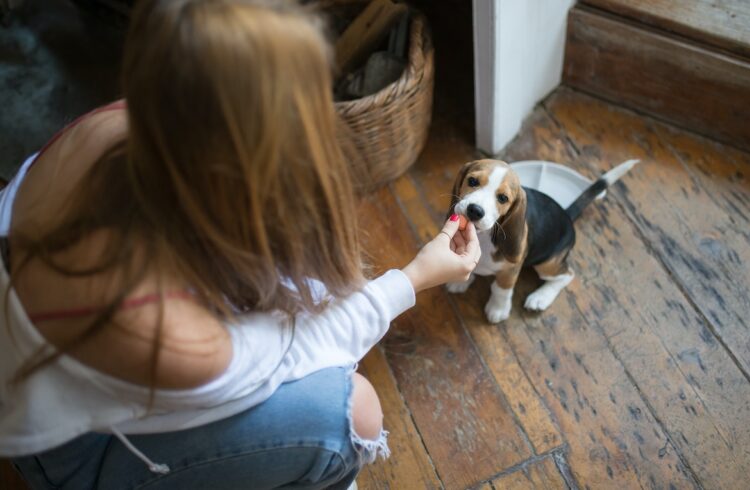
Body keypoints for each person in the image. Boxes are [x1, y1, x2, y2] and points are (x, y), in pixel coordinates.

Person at [0, 0, 480, 488]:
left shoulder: (128, 123)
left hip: (58, 371)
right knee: (353, 413)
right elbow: (303, 350)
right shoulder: (172, 335)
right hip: (77, 450)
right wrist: (415, 277)